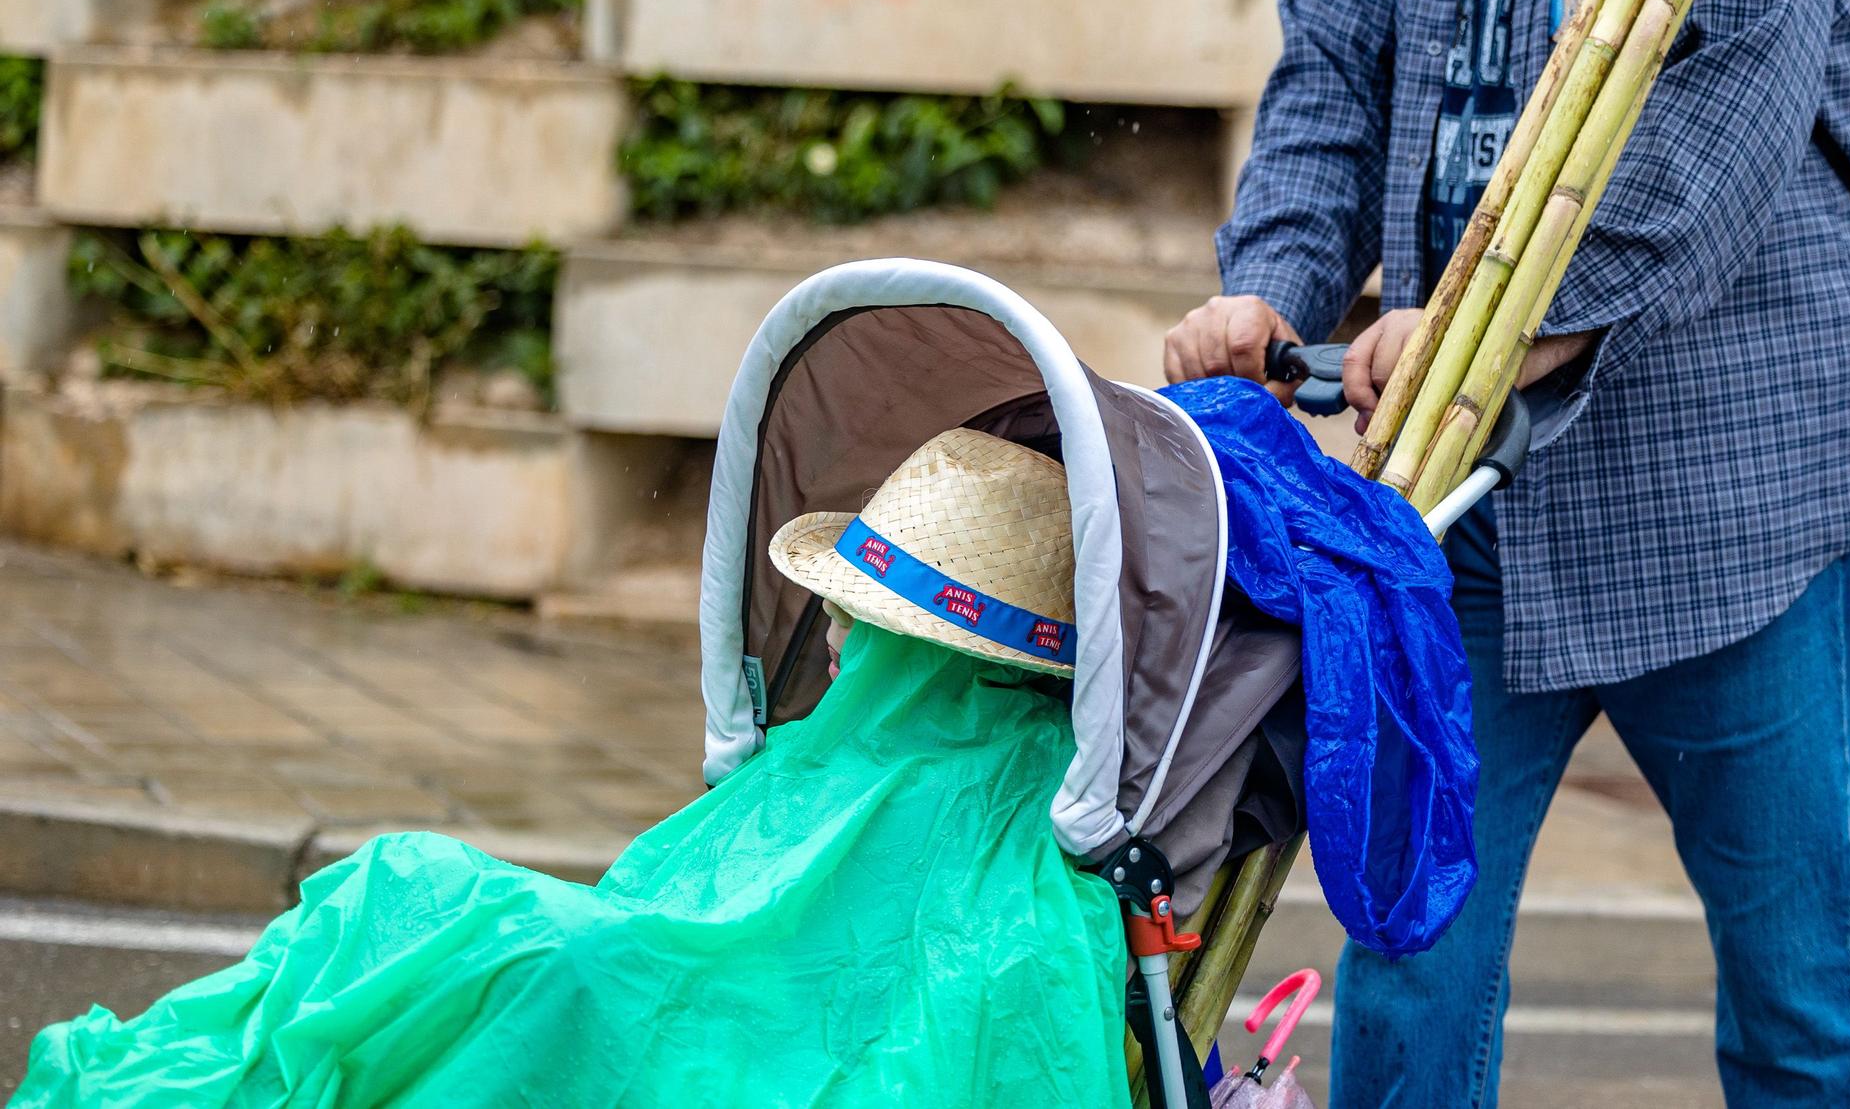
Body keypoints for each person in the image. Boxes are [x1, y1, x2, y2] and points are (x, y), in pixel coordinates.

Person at [1164, 0, 1850, 1103]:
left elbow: (1717, 136)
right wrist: (1271, 291)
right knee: (1411, 966)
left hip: (1746, 506)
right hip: (1463, 507)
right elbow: (1330, 70)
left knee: (1798, 993)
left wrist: (1490, 333)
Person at [13, 431, 1127, 1108]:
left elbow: (939, 1024)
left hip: (687, 1045)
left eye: (859, 615)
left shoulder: (1011, 806)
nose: (830, 632)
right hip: (649, 997)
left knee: (417, 903)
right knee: (402, 900)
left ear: (930, 646)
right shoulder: (877, 743)